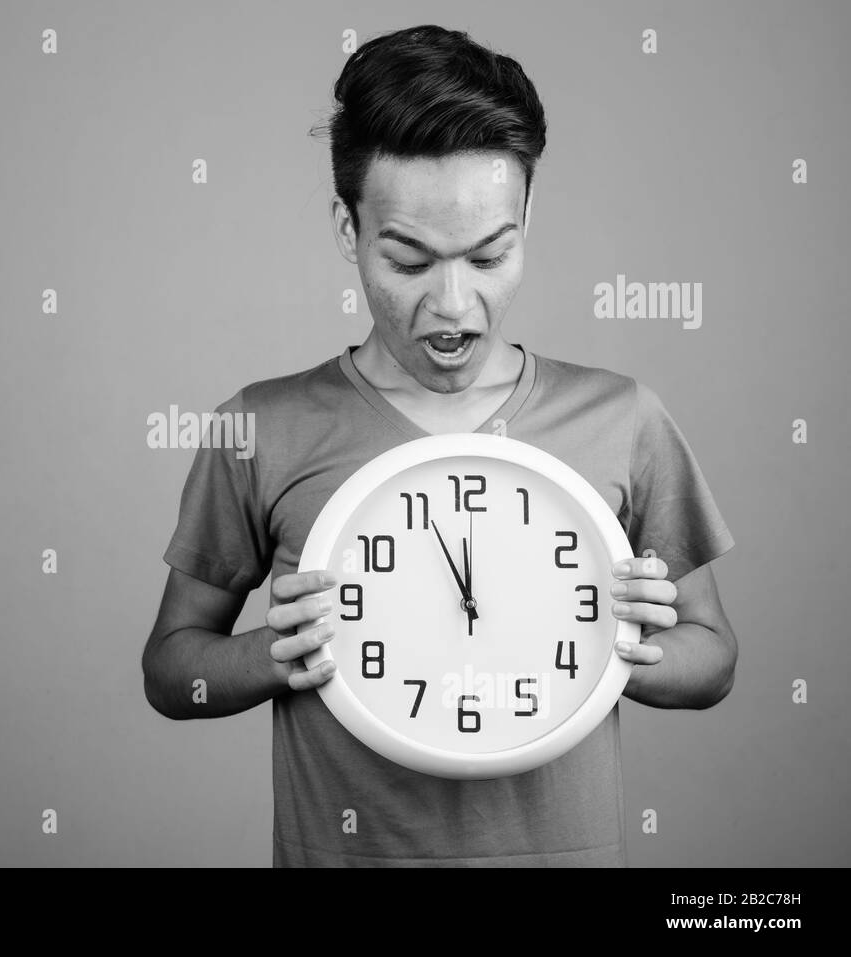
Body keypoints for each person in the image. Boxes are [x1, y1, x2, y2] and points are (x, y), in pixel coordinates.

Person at [140, 24, 737, 867]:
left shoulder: (623, 417)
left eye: (490, 255)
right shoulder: (260, 429)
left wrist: (621, 649)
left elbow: (713, 659)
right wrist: (275, 653)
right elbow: (170, 670)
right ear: (349, 229)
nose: (454, 304)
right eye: (409, 260)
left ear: (526, 217)